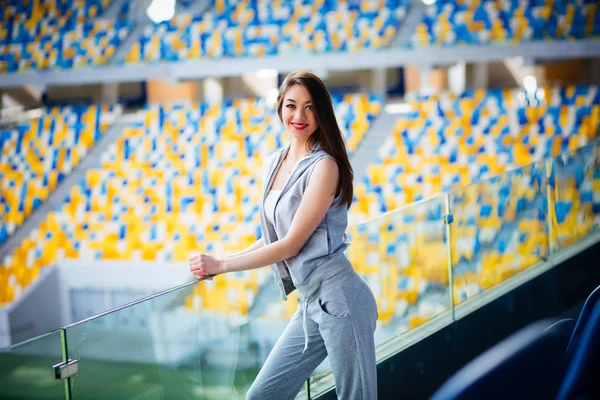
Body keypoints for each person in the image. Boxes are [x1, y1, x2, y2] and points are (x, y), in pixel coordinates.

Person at [189, 70, 378, 400]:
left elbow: (291, 243)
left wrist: (221, 265)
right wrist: (220, 262)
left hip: (342, 298)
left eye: (309, 107)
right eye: (291, 105)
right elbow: (273, 236)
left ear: (321, 112)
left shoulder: (325, 166)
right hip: (309, 303)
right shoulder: (274, 162)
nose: (299, 116)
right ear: (279, 108)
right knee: (260, 396)